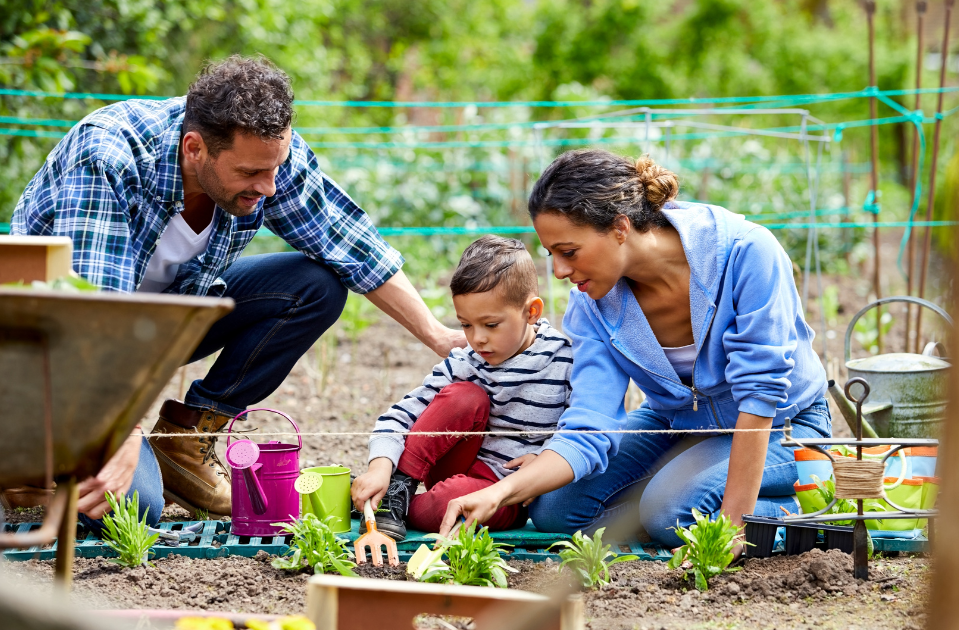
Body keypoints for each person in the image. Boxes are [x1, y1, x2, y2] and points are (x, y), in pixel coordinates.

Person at [8, 55, 465, 530]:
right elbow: (89, 316)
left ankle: (182, 443)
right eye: (250, 174)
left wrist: (437, 335)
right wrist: (121, 435)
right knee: (134, 505)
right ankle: (32, 458)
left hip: (159, 323)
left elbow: (349, 242)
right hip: (48, 350)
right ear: (195, 149)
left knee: (315, 286)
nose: (268, 187)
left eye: (275, 168)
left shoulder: (265, 156)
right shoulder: (109, 156)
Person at [437, 149, 830, 550]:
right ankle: (677, 489)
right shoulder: (592, 303)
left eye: (568, 252)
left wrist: (733, 527)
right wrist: (501, 492)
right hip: (677, 423)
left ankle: (817, 504)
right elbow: (591, 420)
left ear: (620, 228)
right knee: (554, 510)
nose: (558, 271)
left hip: (785, 425)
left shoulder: (746, 253)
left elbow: (760, 395)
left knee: (671, 515)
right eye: (550, 253)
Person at [351, 235, 573, 540]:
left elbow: (580, 429)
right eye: (466, 325)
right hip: (452, 463)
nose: (477, 338)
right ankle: (393, 489)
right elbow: (400, 416)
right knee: (464, 396)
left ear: (531, 312)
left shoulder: (564, 360)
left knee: (447, 503)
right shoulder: (467, 361)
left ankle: (381, 504)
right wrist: (380, 466)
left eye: (490, 325)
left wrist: (546, 457)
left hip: (503, 492)